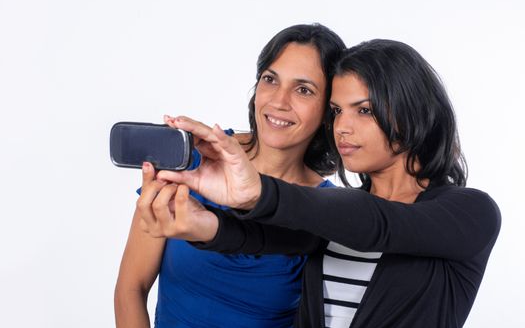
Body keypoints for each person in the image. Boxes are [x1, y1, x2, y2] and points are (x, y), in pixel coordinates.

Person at [143, 39, 501, 328]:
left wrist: (259, 191)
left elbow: (378, 225)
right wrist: (202, 223)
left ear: (411, 114)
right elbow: (264, 237)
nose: (342, 127)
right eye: (335, 111)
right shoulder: (334, 218)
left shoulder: (472, 213)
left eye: (363, 110)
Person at [114, 24, 346, 327]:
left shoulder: (325, 209)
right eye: (270, 79)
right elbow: (130, 288)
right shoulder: (198, 157)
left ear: (329, 108)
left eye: (303, 89)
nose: (279, 100)